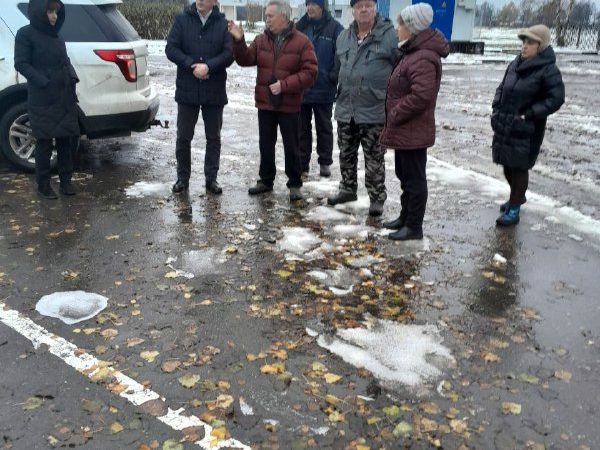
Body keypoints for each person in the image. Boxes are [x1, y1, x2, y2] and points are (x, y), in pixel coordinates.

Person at [228, 0, 317, 202]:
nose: (266, 19)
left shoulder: (302, 42)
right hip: (266, 102)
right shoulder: (260, 40)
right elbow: (245, 60)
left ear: (283, 17)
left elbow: (311, 73)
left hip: (289, 104)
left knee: (292, 145)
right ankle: (266, 180)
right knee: (265, 144)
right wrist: (239, 41)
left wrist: (285, 85)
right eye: (266, 16)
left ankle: (294, 183)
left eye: (270, 16)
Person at [379, 4, 449, 240]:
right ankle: (405, 217)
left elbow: (422, 95)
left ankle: (414, 227)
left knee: (415, 179)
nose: (397, 29)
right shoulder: (412, 52)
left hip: (413, 129)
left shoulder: (422, 57)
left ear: (411, 27)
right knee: (405, 175)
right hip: (405, 130)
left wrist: (396, 113)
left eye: (400, 24)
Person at [327, 0, 398, 217]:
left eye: (368, 4)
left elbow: (400, 70)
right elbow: (337, 70)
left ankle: (376, 198)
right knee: (346, 154)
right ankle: (348, 189)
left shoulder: (390, 36)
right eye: (359, 6)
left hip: (374, 109)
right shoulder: (343, 37)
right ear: (353, 10)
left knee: (374, 158)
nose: (364, 9)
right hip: (346, 108)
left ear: (375, 8)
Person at [491, 25, 564, 226]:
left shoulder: (548, 70)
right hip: (506, 122)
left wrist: (531, 113)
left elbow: (556, 98)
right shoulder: (515, 64)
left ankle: (514, 207)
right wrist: (496, 106)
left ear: (541, 45)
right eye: (523, 42)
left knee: (519, 167)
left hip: (527, 128)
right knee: (507, 164)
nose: (524, 47)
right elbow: (501, 87)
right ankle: (517, 196)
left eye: (530, 43)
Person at [166, 0, 234, 195]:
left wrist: (209, 66)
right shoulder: (182, 19)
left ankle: (211, 179)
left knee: (213, 137)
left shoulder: (223, 23)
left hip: (214, 89)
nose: (201, 1)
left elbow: (229, 54)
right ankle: (182, 178)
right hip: (188, 89)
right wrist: (191, 65)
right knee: (184, 137)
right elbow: (171, 49)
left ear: (214, 1)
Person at [14, 0, 80, 199]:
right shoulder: (25, 34)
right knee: (43, 143)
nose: (54, 16)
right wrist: (44, 82)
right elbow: (21, 63)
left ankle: (66, 182)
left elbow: (64, 61)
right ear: (38, 12)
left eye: (56, 12)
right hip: (43, 97)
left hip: (64, 96)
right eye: (50, 11)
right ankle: (43, 185)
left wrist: (72, 76)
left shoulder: (57, 36)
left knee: (65, 141)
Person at [296, 0, 343, 178]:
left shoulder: (335, 28)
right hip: (303, 87)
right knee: (302, 128)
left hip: (324, 86)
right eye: (308, 4)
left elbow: (340, 54)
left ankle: (325, 162)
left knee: (324, 127)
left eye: (314, 4)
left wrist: (333, 75)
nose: (310, 8)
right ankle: (302, 162)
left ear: (322, 7)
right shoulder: (301, 27)